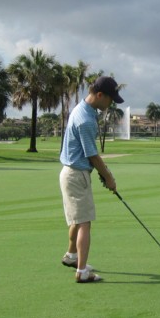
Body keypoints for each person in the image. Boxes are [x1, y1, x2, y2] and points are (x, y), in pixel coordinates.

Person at [59, 75, 124, 283]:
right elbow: (93, 155)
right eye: (110, 99)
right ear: (99, 95)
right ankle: (82, 272)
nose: (111, 103)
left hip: (69, 172)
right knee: (85, 222)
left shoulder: (80, 109)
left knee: (77, 220)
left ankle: (71, 256)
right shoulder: (86, 120)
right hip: (77, 175)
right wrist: (109, 177)